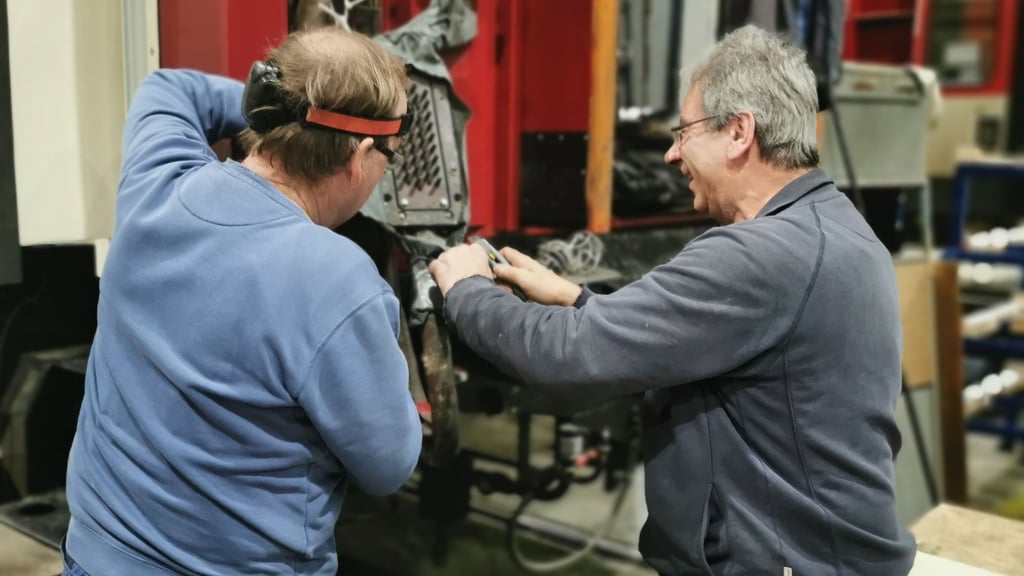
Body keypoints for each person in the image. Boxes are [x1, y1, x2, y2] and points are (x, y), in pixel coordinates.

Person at [430, 25, 916, 576]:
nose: (670, 153)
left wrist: (466, 288)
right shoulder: (836, 227)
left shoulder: (760, 254)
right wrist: (576, 296)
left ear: (738, 132)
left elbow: (567, 354)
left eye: (684, 132)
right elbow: (707, 336)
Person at [63, 28, 421, 576]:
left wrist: (291, 104)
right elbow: (388, 466)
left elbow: (169, 86)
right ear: (361, 157)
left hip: (96, 559)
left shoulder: (156, 188)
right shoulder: (339, 281)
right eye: (388, 159)